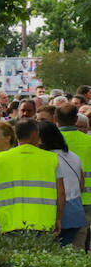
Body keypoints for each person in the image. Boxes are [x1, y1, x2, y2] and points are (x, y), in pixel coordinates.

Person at [0, 119, 61, 235]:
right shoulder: (52, 159)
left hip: (9, 223)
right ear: (34, 134)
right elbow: (61, 193)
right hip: (44, 223)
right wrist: (58, 218)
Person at [38, 121, 84, 247]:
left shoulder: (47, 158)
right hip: (76, 211)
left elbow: (58, 191)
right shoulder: (74, 156)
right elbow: (81, 185)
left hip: (57, 212)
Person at [54, 103, 91, 246]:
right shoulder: (89, 142)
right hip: (87, 201)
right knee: (79, 244)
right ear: (76, 119)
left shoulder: (49, 142)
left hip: (59, 200)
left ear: (55, 118)